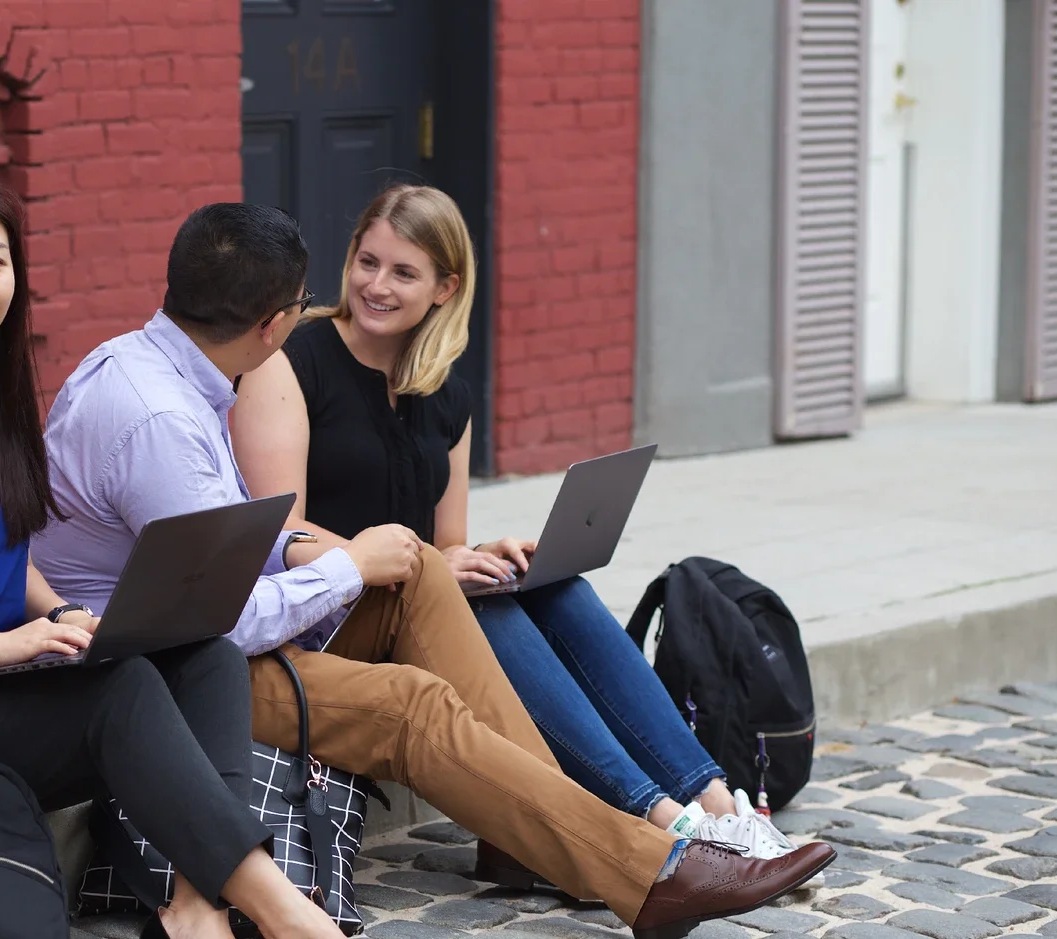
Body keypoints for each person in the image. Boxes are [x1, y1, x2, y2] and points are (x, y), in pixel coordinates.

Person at [31, 202, 834, 939]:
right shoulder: (162, 417)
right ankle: (641, 871)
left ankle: (543, 834)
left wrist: (325, 552)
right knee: (414, 702)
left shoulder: (155, 365)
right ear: (276, 325)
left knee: (418, 566)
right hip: (172, 670)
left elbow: (221, 538)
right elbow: (225, 620)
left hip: (201, 634)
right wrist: (347, 567)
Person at [0, 171, 347, 939]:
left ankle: (195, 905)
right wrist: (0, 644)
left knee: (205, 651)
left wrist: (58, 612)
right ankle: (284, 914)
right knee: (120, 691)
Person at [227, 184, 804, 869]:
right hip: (328, 621)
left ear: (446, 288)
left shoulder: (447, 393)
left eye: (403, 272)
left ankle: (713, 802)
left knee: (550, 587)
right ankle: (653, 816)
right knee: (494, 618)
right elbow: (280, 536)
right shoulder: (293, 363)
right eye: (367, 261)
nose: (376, 285)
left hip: (418, 608)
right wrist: (421, 565)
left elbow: (444, 545)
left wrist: (478, 557)